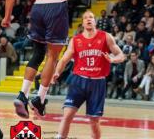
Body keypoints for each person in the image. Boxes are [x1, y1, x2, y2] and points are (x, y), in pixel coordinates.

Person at [52, 11, 125, 139]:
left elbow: (121, 55)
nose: (88, 19)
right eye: (85, 18)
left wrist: (112, 60)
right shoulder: (75, 40)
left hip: (97, 83)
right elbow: (64, 60)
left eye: (91, 17)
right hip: (78, 81)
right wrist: (57, 72)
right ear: (82, 22)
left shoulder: (106, 37)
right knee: (67, 115)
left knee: (94, 121)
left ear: (95, 21)